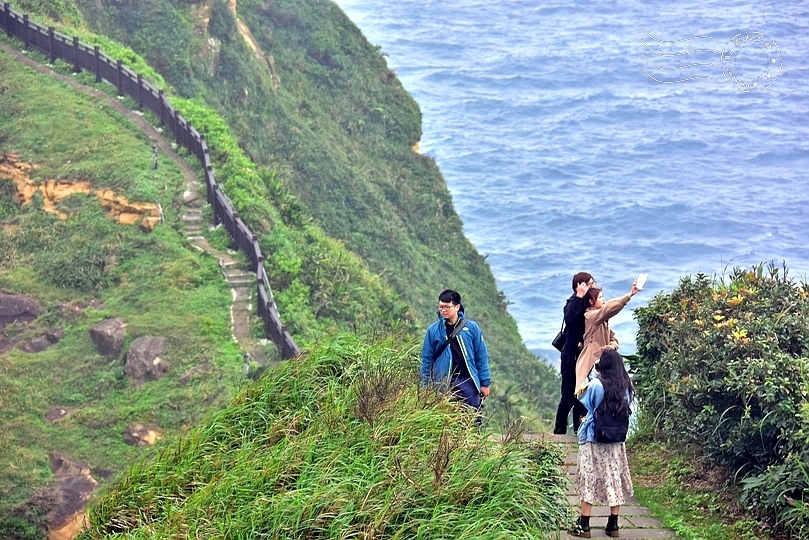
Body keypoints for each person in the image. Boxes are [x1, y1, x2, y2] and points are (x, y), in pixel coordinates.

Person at [569, 348, 635, 538]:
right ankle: (613, 525)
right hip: (615, 440)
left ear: (602, 366)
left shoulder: (596, 385)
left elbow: (583, 399)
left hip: (593, 437)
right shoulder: (626, 386)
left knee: (589, 478)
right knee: (613, 477)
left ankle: (584, 525)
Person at [420, 290, 491, 413]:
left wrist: (485, 383)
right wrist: (424, 386)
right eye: (441, 307)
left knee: (472, 417)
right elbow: (427, 360)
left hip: (468, 380)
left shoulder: (471, 327)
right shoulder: (433, 330)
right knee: (445, 419)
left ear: (457, 307)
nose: (443, 310)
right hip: (443, 382)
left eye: (447, 307)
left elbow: (481, 356)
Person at [575, 280, 640, 389]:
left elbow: (614, 339)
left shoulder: (602, 320)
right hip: (591, 363)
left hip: (603, 362)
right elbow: (608, 309)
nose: (603, 299)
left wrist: (612, 346)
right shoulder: (591, 316)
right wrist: (629, 295)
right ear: (591, 302)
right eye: (600, 297)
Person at [554, 272, 595, 435]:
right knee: (568, 397)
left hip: (584, 357)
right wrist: (579, 296)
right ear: (580, 285)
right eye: (588, 283)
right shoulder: (573, 302)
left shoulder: (589, 305)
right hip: (571, 357)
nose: (591, 286)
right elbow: (570, 319)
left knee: (582, 397)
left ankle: (580, 431)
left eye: (592, 283)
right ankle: (559, 432)